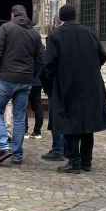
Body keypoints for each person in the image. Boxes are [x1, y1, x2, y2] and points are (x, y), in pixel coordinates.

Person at [44, 5, 106, 174]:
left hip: (68, 85)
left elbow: (49, 64)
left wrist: (55, 80)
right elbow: (102, 56)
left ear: (61, 18)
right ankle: (86, 161)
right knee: (87, 123)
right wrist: (91, 70)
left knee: (70, 122)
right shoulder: (89, 32)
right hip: (91, 85)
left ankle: (74, 162)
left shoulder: (56, 35)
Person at [0, 5, 44, 166]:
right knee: (20, 117)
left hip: (6, 77)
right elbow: (39, 58)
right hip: (25, 80)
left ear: (12, 15)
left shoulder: (6, 28)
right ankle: (17, 154)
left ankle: (4, 146)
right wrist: (31, 75)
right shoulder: (34, 33)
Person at [41, 15, 66, 162]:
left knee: (56, 116)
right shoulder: (74, 36)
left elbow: (49, 62)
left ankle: (58, 149)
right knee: (65, 115)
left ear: (56, 23)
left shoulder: (54, 36)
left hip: (56, 84)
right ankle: (65, 147)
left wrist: (47, 78)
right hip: (68, 83)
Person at [24, 70, 43, 139]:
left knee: (23, 106)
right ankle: (37, 131)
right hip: (38, 81)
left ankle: (24, 130)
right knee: (38, 107)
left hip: (27, 80)